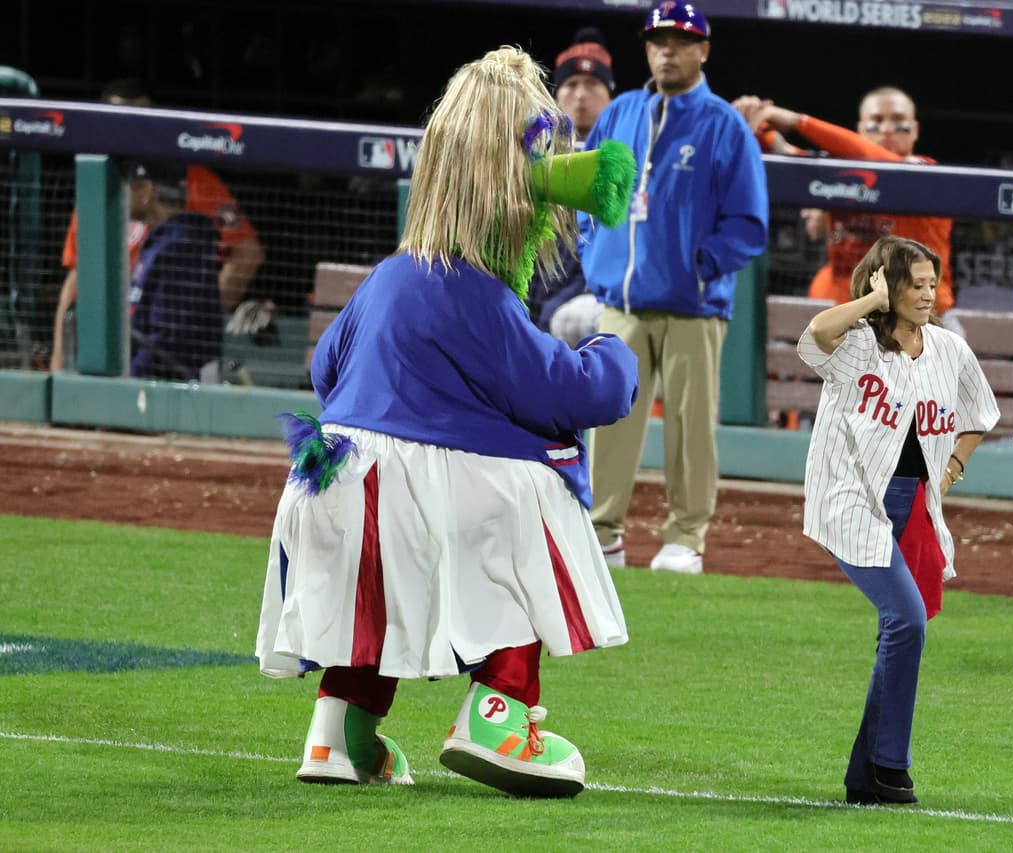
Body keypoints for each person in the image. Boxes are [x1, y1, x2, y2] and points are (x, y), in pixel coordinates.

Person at [255, 46, 640, 798]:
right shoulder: (478, 292)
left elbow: (326, 368)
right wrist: (610, 349)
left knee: (375, 590)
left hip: (328, 480)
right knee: (529, 505)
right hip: (426, 494)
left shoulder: (390, 273)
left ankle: (340, 732)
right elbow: (568, 394)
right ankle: (498, 710)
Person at [799, 235, 999, 805]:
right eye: (915, 284)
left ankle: (866, 778)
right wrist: (870, 302)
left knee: (905, 628)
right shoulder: (858, 342)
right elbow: (816, 331)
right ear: (886, 283)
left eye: (932, 284)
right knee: (905, 619)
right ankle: (891, 766)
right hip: (851, 497)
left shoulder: (949, 349)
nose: (928, 294)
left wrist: (955, 466)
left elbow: (980, 413)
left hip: (914, 505)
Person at [579, 1, 769, 574]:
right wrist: (597, 255)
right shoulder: (621, 114)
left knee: (691, 429)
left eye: (682, 41)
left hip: (692, 308)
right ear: (646, 48)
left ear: (703, 50)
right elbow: (594, 195)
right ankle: (602, 530)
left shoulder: (724, 126)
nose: (669, 50)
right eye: (659, 40)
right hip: (622, 304)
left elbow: (748, 222)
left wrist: (698, 268)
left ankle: (686, 534)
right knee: (608, 420)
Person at [50, 79, 263, 373]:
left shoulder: (192, 180)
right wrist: (58, 365)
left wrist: (201, 313)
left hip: (164, 337)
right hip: (108, 337)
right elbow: (77, 278)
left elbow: (247, 253)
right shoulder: (97, 184)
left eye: (141, 118)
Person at [733, 87, 958, 327]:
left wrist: (799, 121)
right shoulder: (842, 172)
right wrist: (752, 119)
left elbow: (879, 160)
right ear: (860, 131)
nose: (886, 129)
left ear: (914, 131)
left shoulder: (927, 171)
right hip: (855, 318)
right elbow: (787, 152)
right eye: (876, 122)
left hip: (922, 319)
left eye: (898, 121)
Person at [526, 26, 615, 342]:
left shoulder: (624, 158)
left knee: (574, 320)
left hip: (585, 304)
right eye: (571, 84)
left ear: (611, 99)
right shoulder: (528, 154)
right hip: (529, 301)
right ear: (554, 97)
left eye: (593, 85)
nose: (580, 95)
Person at [124, 162, 224, 381]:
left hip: (176, 392)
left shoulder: (180, 246)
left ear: (148, 190)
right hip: (160, 385)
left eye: (129, 186)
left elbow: (167, 339)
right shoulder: (164, 241)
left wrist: (132, 379)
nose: (124, 194)